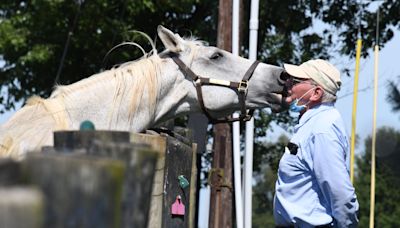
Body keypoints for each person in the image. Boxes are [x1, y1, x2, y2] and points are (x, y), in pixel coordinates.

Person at [273, 59, 359, 228]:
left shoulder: (321, 129)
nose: (288, 84)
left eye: (295, 81)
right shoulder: (313, 125)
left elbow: (341, 193)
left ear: (316, 93)